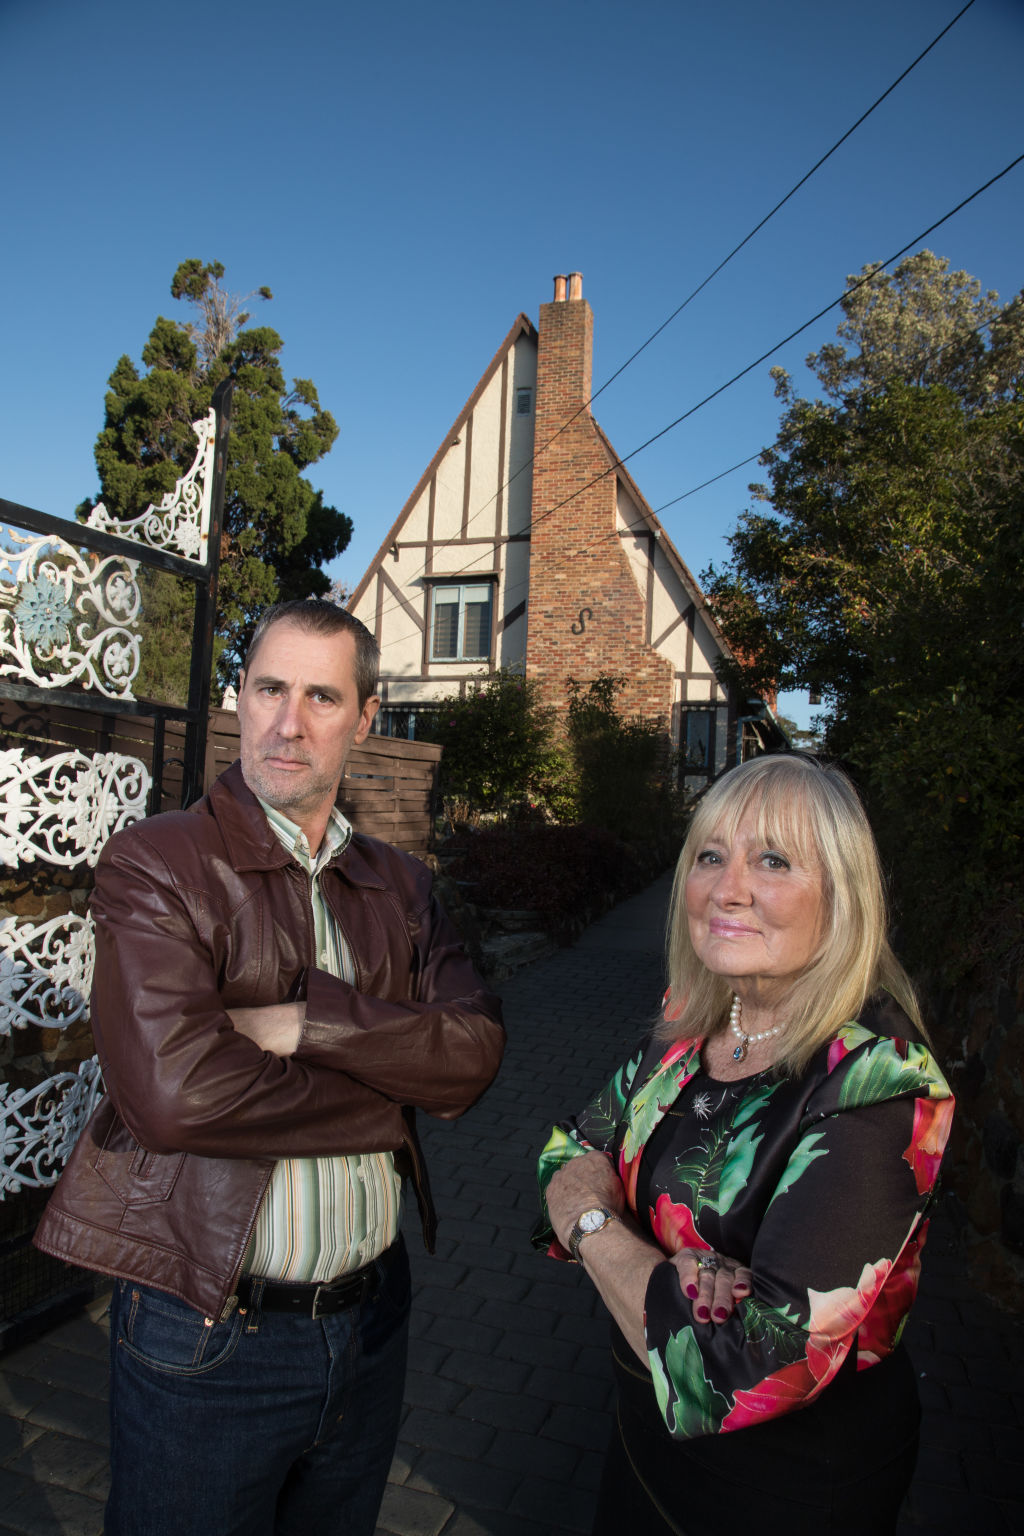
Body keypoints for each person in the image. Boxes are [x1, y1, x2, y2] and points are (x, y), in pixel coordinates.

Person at [35, 599, 505, 1536]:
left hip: (374, 1321)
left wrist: (305, 1020)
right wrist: (390, 1097)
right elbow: (173, 1096)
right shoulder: (160, 863)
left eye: (322, 696)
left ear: (366, 719)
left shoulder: (401, 886)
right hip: (210, 1335)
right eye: (269, 689)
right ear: (239, 698)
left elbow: (472, 1054)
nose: (288, 722)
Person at [536, 753, 953, 1535]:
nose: (728, 888)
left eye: (773, 860)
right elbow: (564, 1155)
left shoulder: (880, 1081)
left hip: (781, 1489)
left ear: (841, 895)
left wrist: (596, 1227)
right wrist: (668, 1277)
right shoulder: (691, 1027)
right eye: (709, 855)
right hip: (641, 1443)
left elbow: (739, 1370)